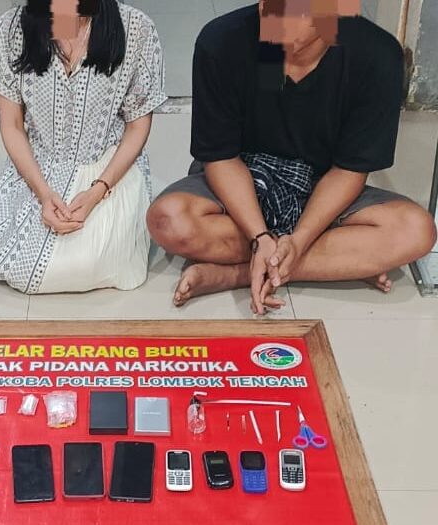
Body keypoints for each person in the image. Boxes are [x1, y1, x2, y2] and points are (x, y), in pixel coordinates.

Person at [147, 0, 437, 313]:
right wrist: (259, 237)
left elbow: (347, 171)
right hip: (245, 180)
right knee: (169, 220)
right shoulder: (222, 41)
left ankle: (235, 274)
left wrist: (299, 241)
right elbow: (222, 159)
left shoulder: (376, 55)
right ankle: (337, 262)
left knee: (416, 231)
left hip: (323, 186)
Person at [0, 0, 166, 294]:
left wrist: (98, 190)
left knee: (86, 263)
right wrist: (43, 193)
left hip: (108, 167)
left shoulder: (136, 28)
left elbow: (137, 128)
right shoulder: (10, 30)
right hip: (37, 168)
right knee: (5, 262)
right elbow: (12, 126)